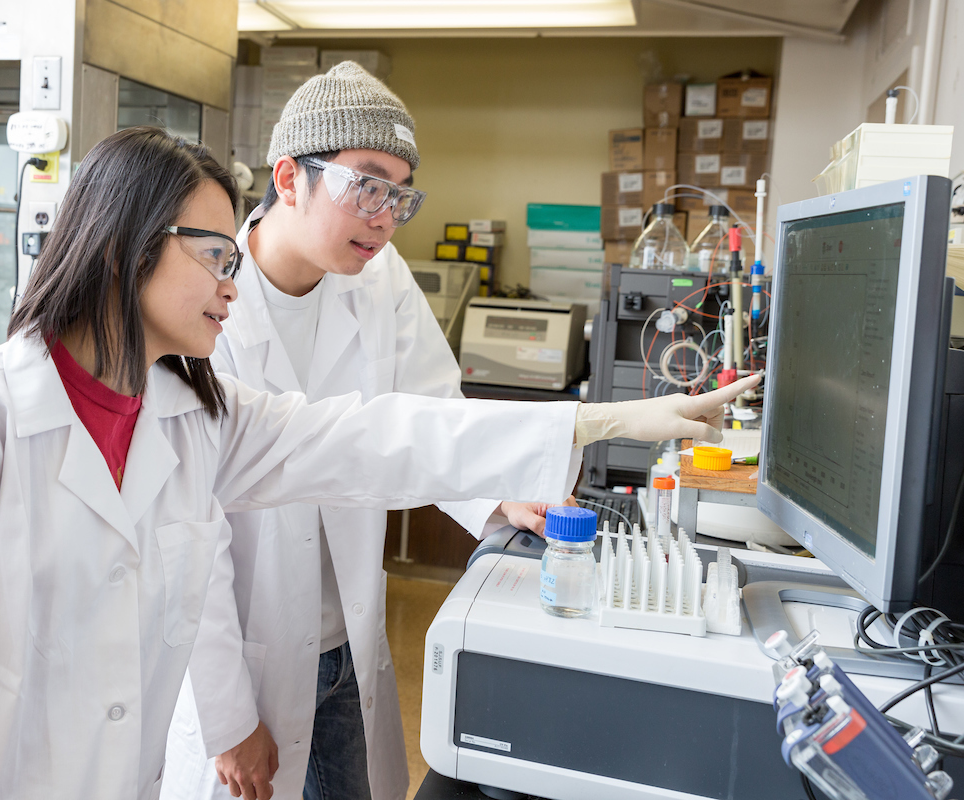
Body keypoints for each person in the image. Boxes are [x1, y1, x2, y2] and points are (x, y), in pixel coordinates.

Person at [0, 125, 756, 800]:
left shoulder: (191, 419)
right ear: (125, 244)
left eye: (236, 257)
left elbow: (380, 434)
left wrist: (605, 419)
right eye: (215, 255)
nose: (234, 283)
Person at [160, 63, 757, 800]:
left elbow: (432, 410)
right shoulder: (209, 310)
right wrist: (224, 715)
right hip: (245, 651)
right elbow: (188, 534)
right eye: (367, 185)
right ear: (289, 178)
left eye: (401, 195)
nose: (384, 216)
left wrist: (493, 500)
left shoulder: (377, 280)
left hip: (347, 632)